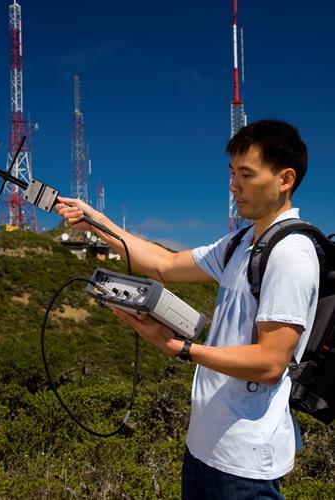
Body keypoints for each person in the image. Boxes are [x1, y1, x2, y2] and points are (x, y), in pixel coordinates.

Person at [55, 119, 319, 499]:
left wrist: (179, 348)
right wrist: (95, 221)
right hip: (204, 450)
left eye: (246, 174)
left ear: (285, 179)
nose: (233, 186)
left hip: (244, 463)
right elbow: (163, 263)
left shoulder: (291, 253)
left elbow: (270, 362)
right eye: (232, 173)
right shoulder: (241, 243)